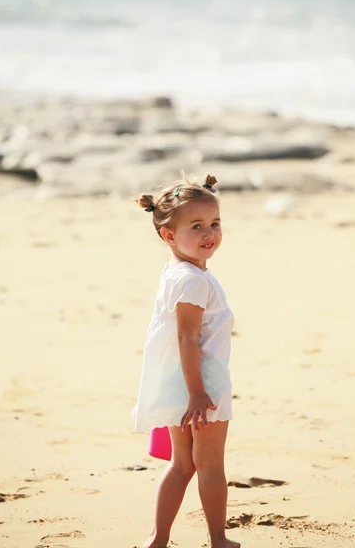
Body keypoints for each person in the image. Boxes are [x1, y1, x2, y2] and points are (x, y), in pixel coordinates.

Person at [132, 175, 240, 548]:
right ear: (169, 236)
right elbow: (187, 337)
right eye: (196, 226)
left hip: (177, 381)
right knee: (210, 465)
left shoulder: (177, 271)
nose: (209, 233)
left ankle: (158, 538)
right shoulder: (194, 280)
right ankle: (218, 539)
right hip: (201, 385)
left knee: (182, 464)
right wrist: (198, 392)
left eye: (214, 223)